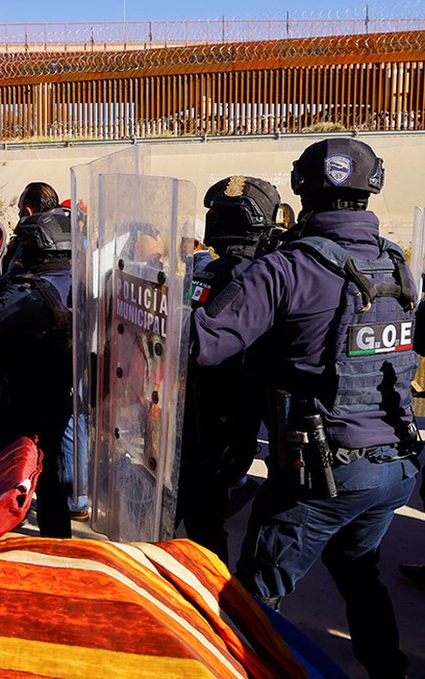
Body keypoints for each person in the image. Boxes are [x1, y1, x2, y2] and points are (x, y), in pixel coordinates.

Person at [191, 138, 418, 678]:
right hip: (396, 466)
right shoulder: (396, 264)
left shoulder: (286, 268)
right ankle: (388, 668)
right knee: (358, 571)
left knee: (251, 604)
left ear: (302, 188)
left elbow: (203, 344)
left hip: (324, 475)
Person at [176, 176, 283, 564]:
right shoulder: (230, 271)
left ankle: (209, 601)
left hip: (218, 418)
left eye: (216, 214)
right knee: (197, 516)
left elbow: (204, 347)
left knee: (202, 524)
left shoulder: (243, 275)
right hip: (207, 416)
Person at [0, 208, 74, 539]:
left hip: (20, 399)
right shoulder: (78, 281)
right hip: (59, 397)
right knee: (51, 482)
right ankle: (57, 546)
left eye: (26, 244)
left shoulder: (30, 291)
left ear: (41, 246)